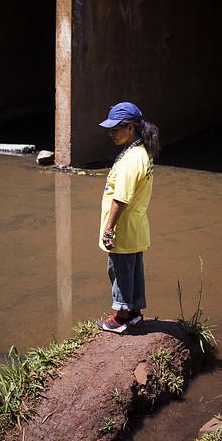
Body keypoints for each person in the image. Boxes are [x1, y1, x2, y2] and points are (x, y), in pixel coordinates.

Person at [96, 101, 160, 334]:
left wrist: (109, 229)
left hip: (123, 225)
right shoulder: (141, 151)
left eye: (116, 128)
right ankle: (134, 313)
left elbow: (121, 197)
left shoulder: (133, 158)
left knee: (119, 269)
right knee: (133, 268)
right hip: (136, 224)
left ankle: (121, 318)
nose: (111, 134)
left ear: (131, 128)